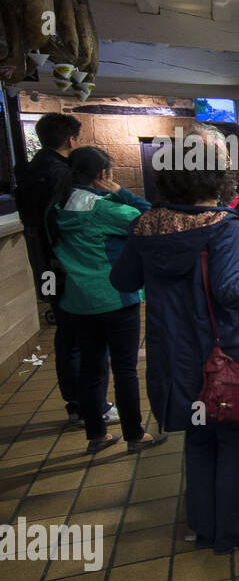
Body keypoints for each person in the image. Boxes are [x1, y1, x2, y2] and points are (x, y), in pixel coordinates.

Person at [110, 160, 239, 553]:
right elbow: (231, 291)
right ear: (216, 180)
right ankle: (233, 529)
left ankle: (204, 526)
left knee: (199, 436)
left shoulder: (147, 225)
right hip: (223, 349)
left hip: (173, 350)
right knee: (235, 438)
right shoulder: (222, 224)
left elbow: (123, 280)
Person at [50, 148, 162, 454]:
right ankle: (134, 435)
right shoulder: (104, 209)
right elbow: (150, 215)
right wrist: (120, 191)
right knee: (125, 369)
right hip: (114, 296)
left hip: (77, 300)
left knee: (91, 366)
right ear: (103, 175)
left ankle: (96, 435)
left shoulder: (60, 204)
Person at [16, 112, 110, 426]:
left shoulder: (28, 171)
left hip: (43, 263)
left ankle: (76, 404)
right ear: (70, 139)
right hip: (66, 265)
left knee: (66, 333)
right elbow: (68, 223)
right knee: (81, 335)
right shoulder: (62, 173)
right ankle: (87, 406)